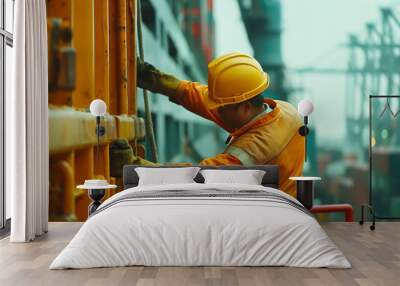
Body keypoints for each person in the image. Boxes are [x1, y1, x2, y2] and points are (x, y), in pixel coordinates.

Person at [137, 52, 304, 197]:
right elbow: (207, 99)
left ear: (245, 107)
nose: (216, 111)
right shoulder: (283, 109)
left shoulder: (253, 150)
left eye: (221, 108)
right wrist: (163, 83)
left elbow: (197, 177)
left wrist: (140, 168)